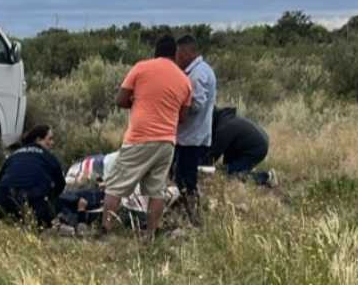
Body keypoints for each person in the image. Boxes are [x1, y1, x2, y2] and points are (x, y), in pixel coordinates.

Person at [102, 35, 193, 239]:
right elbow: (183, 117)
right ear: (175, 54)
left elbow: (120, 100)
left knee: (115, 185)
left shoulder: (141, 68)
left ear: (155, 51)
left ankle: (106, 229)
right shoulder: (184, 80)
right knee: (156, 191)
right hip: (167, 142)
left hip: (140, 137)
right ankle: (150, 234)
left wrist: (136, 102)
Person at [173, 35, 217, 226]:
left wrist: (177, 110)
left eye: (179, 54)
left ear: (187, 53)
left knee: (186, 178)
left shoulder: (198, 74)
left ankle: (193, 216)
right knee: (183, 175)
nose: (177, 59)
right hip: (193, 134)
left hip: (191, 137)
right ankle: (187, 211)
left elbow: (197, 104)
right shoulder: (202, 70)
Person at [0, 125, 65, 229]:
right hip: (33, 208)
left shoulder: (13, 155)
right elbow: (61, 185)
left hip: (1, 205)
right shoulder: (48, 157)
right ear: (38, 139)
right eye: (50, 139)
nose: (52, 143)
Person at [209, 107, 276, 187]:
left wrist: (199, 165)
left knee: (230, 174)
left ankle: (267, 177)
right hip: (248, 143)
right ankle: (243, 168)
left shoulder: (224, 127)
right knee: (226, 168)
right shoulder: (225, 118)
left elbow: (213, 156)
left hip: (257, 148)